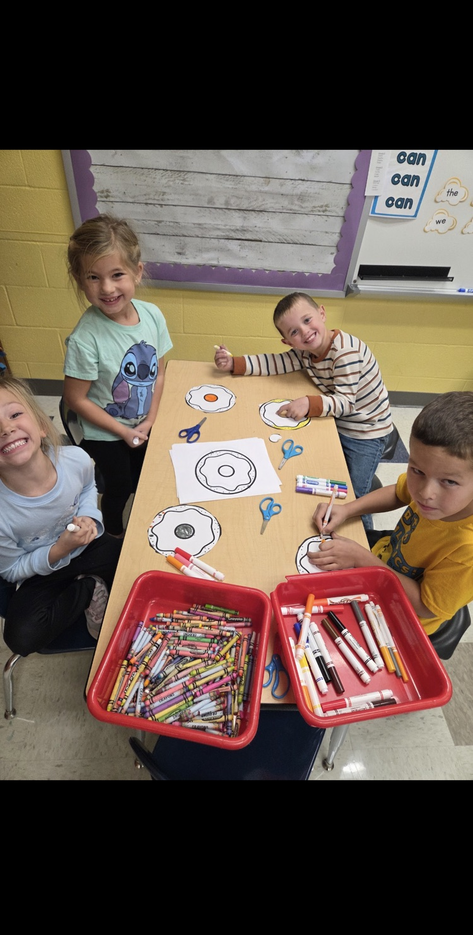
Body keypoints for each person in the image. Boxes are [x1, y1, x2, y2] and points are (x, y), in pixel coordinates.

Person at [214, 292, 393, 528]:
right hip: (338, 422)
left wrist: (309, 403)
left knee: (355, 496)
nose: (305, 332)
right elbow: (273, 363)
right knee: (322, 470)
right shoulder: (304, 352)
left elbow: (345, 403)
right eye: (294, 332)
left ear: (322, 313)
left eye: (307, 320)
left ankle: (365, 539)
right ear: (288, 342)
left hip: (366, 432)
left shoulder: (345, 353)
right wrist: (234, 363)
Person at [309, 391, 473, 636]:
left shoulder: (467, 549)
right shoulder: (432, 485)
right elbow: (399, 492)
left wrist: (361, 559)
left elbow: (425, 606)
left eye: (448, 481)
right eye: (417, 470)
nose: (425, 493)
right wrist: (347, 510)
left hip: (400, 616)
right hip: (385, 558)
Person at [64, 213, 173, 536]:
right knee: (119, 487)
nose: (107, 288)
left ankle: (141, 523)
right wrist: (124, 432)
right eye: (93, 278)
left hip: (141, 423)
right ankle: (112, 533)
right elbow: (75, 398)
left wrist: (150, 420)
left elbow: (160, 374)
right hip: (106, 433)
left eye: (116, 274)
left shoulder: (152, 315)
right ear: (80, 279)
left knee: (143, 476)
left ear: (137, 273)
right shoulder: (86, 338)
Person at [0, 376, 123, 656]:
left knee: (136, 562)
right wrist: (58, 550)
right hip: (42, 569)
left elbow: (88, 487)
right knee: (22, 638)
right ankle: (89, 587)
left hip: (85, 547)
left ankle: (92, 577)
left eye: (15, 414)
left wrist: (90, 517)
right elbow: (11, 570)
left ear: (42, 426)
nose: (6, 428)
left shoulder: (75, 459)